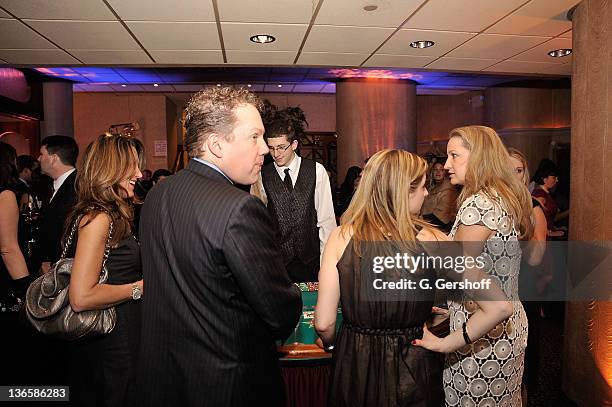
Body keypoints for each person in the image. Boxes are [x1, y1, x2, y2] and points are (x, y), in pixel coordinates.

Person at [136, 87, 302, 407]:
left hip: (166, 378)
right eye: (254, 137)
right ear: (216, 144)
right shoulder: (239, 208)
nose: (265, 149)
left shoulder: (158, 195)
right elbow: (280, 313)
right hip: (227, 385)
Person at [315, 149, 446, 406]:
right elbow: (472, 306)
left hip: (356, 364)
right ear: (402, 191)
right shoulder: (434, 240)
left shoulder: (341, 237)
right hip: (414, 362)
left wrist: (330, 345)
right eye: (422, 185)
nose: (427, 193)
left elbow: (324, 323)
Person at [417, 125, 532, 406]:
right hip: (504, 329)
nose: (446, 165)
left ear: (479, 157)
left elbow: (463, 271)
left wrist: (445, 343)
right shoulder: (498, 197)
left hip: (483, 337)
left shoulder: (478, 206)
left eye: (454, 156)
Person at [63, 133, 144, 407]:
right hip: (111, 339)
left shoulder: (111, 214)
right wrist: (140, 288)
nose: (139, 173)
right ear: (111, 170)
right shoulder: (98, 218)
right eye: (131, 166)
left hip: (115, 333)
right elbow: (81, 297)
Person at [261, 118, 336, 282]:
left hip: (311, 261)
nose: (276, 154)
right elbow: (260, 224)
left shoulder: (317, 171)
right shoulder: (262, 175)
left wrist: (327, 265)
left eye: (281, 147)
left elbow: (326, 221)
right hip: (278, 264)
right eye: (271, 148)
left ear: (294, 144)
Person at [36, 135, 79, 273]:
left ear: (53, 158)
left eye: (41, 154)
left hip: (65, 268)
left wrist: (51, 261)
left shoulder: (77, 188)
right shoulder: (51, 185)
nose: (38, 159)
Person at [421, 161, 459, 233]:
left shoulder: (449, 190)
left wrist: (421, 223)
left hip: (440, 229)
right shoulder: (431, 187)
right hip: (429, 224)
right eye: (435, 169)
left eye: (441, 170)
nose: (438, 172)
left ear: (446, 172)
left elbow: (441, 219)